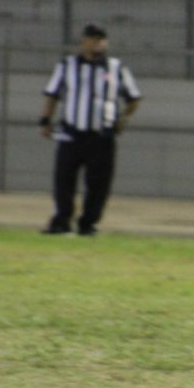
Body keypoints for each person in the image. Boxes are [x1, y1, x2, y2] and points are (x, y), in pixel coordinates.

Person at [39, 23, 142, 236]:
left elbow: (133, 98)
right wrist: (45, 120)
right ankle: (61, 220)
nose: (98, 43)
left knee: (99, 184)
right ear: (83, 41)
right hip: (71, 134)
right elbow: (52, 94)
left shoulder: (116, 68)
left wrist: (122, 120)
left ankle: (88, 223)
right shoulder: (67, 65)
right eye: (94, 39)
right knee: (64, 181)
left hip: (102, 136)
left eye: (102, 39)